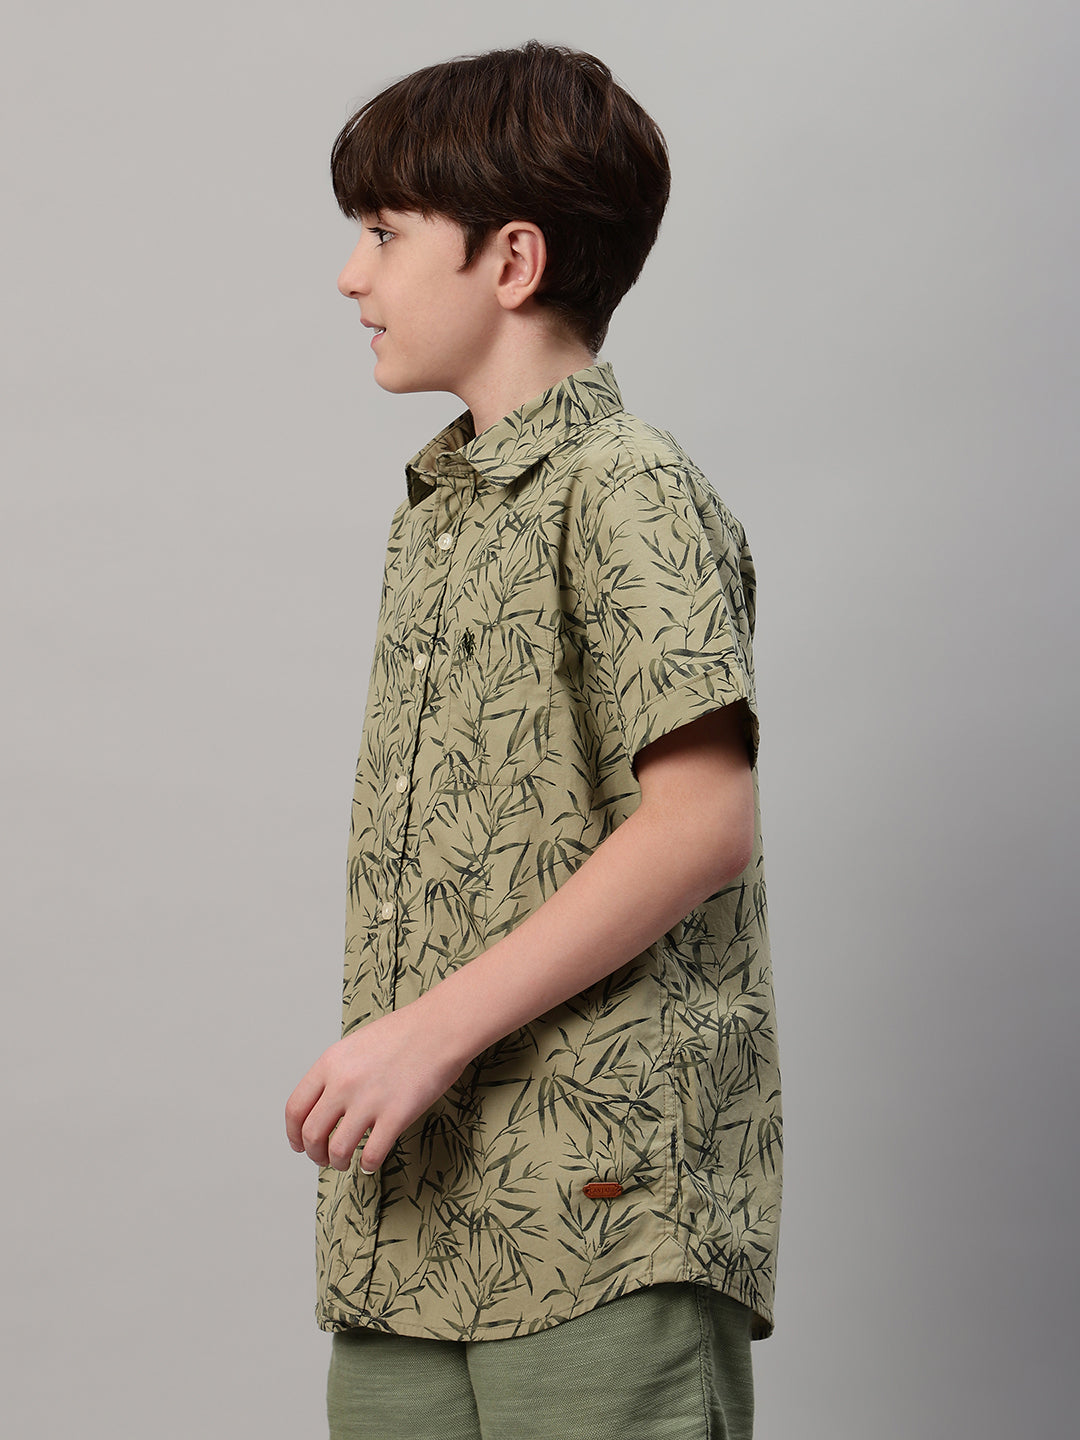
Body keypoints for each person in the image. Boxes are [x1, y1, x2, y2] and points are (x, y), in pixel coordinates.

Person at [285, 40, 781, 1440]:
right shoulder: (443, 514)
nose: (351, 276)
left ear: (511, 260)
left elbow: (701, 824)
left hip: (599, 1203)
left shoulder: (628, 485)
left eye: (385, 233)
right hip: (412, 1213)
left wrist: (421, 1037)